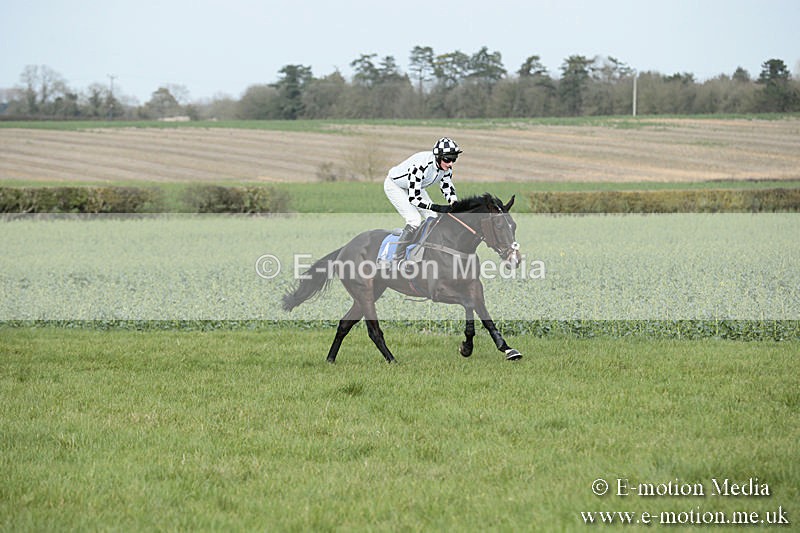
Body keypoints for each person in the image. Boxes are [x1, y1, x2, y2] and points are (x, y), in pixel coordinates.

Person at [383, 137, 461, 260]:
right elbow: (414, 199)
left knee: (434, 218)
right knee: (414, 220)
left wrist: (454, 201)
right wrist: (436, 206)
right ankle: (396, 258)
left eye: (454, 159)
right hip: (395, 186)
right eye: (448, 159)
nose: (450, 163)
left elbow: (446, 185)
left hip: (414, 186)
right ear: (438, 156)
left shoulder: (446, 167)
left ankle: (428, 253)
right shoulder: (421, 165)